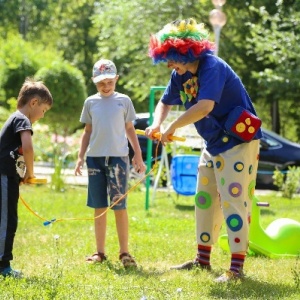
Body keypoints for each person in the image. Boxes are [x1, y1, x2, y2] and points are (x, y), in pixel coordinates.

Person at [146, 18, 262, 282]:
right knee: (204, 199)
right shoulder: (179, 75)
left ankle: (236, 269)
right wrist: (157, 123)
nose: (168, 64)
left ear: (185, 51)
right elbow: (164, 102)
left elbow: (205, 106)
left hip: (238, 142)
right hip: (213, 144)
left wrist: (172, 127)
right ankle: (202, 260)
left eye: (171, 57)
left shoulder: (212, 67)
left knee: (233, 200)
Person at [74, 59, 146, 268]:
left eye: (109, 82)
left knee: (119, 205)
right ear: (94, 82)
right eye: (100, 83)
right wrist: (80, 156)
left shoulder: (123, 101)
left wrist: (137, 155)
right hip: (95, 159)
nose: (105, 87)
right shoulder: (91, 102)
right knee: (99, 206)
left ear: (116, 79)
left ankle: (124, 252)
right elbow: (87, 132)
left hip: (118, 159)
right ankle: (100, 252)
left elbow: (130, 129)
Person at [0, 78, 53, 278]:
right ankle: (3, 267)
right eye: (44, 110)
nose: (43, 115)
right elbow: (28, 148)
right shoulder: (22, 119)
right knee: (8, 220)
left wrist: (20, 173)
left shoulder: (14, 118)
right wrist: (30, 173)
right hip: (4, 174)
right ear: (33, 103)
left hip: (8, 174)